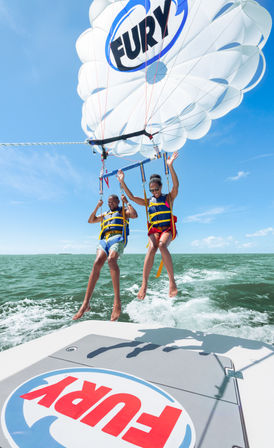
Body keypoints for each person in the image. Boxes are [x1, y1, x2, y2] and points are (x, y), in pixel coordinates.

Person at [118, 151, 179, 300]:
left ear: (161, 187)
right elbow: (132, 197)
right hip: (155, 229)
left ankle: (172, 281)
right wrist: (122, 181)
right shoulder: (148, 201)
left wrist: (170, 166)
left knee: (162, 246)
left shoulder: (168, 198)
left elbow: (176, 185)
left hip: (167, 229)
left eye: (156, 189)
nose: (154, 192)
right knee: (152, 247)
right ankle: (144, 284)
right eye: (151, 190)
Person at [73, 194, 137, 322]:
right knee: (97, 262)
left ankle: (117, 302)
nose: (110, 204)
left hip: (117, 238)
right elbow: (91, 220)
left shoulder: (123, 210)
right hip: (104, 240)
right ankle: (86, 303)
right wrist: (98, 206)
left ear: (118, 201)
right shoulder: (105, 214)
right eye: (108, 202)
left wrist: (127, 202)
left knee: (111, 260)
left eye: (112, 201)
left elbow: (134, 215)